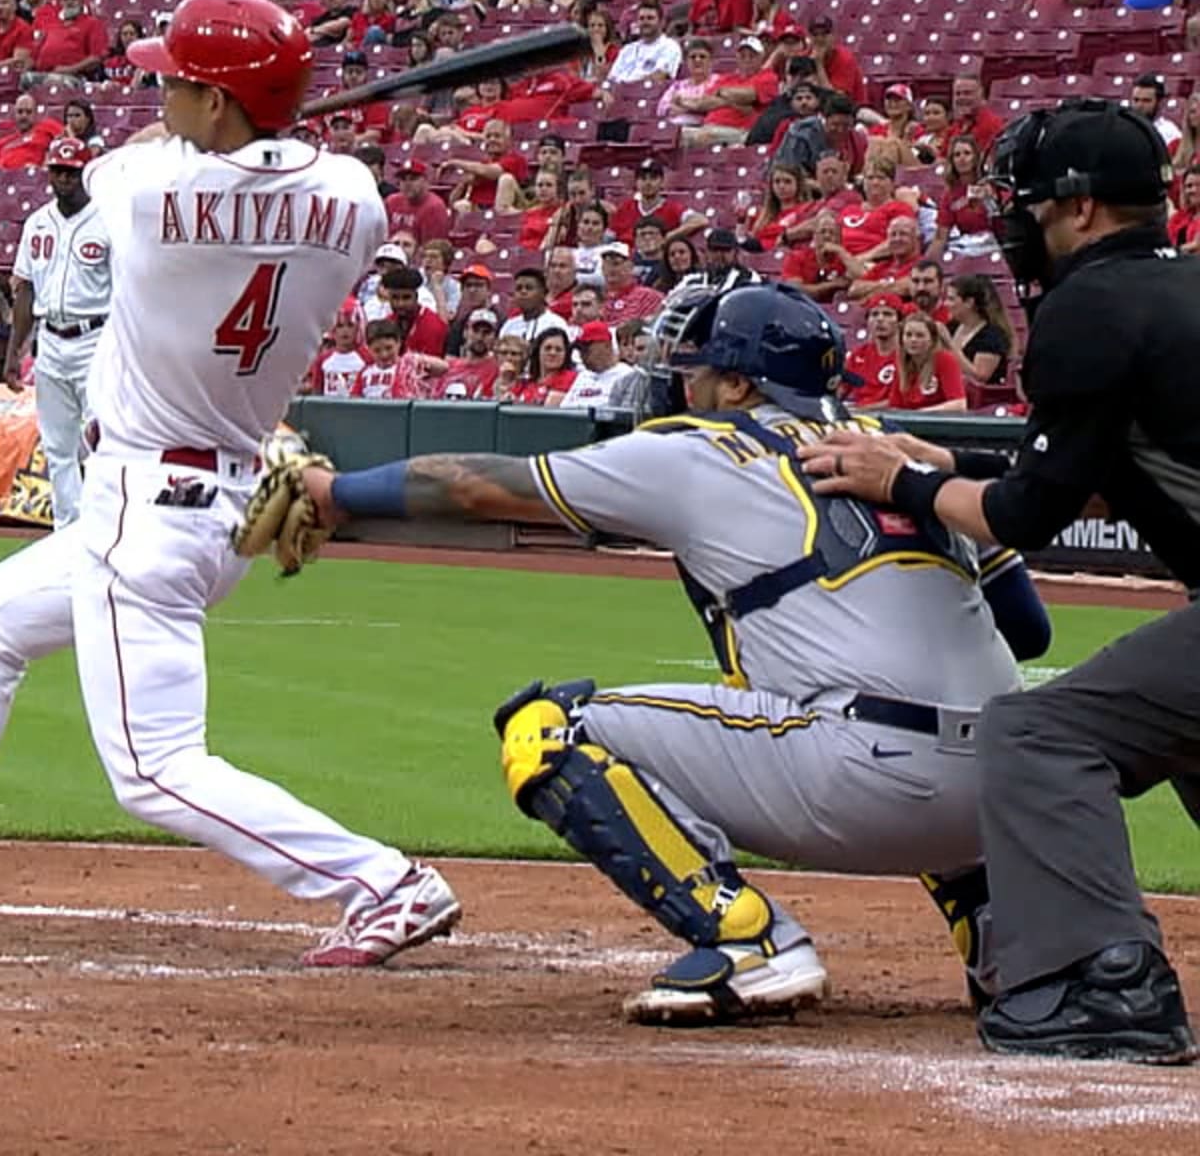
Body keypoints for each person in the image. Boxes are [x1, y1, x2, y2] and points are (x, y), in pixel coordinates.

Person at [0, 0, 460, 967]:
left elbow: (138, 160)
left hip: (153, 511)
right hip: (208, 493)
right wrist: (248, 125)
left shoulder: (136, 186)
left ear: (217, 104)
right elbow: (262, 169)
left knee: (153, 769)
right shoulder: (353, 201)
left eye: (174, 80)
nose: (157, 91)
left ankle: (383, 882)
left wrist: (230, 130)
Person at [255, 279, 1049, 1023]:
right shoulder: (901, 453)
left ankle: (747, 939)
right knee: (933, 704)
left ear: (739, 386)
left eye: (699, 370)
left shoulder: (699, 448)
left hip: (865, 782)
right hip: (1009, 792)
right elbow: (1029, 631)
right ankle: (1007, 944)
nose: (685, 383)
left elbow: (479, 486)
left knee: (547, 728)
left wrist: (334, 494)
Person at [802, 99, 1200, 1063]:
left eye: (1028, 204)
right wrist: (944, 473)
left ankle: (1105, 985)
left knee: (1039, 730)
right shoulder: (1183, 288)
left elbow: (1028, 518)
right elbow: (1078, 469)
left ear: (1081, 210)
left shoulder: (1088, 307)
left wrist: (902, 481)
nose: (1017, 224)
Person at [3, 138, 109, 525]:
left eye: (72, 171)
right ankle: (68, 529)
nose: (64, 178)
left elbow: (127, 290)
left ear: (85, 173)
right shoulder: (37, 222)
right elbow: (25, 288)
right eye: (58, 171)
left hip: (96, 335)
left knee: (100, 439)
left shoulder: (108, 219)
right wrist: (14, 351)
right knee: (58, 446)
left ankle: (102, 523)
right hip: (49, 338)